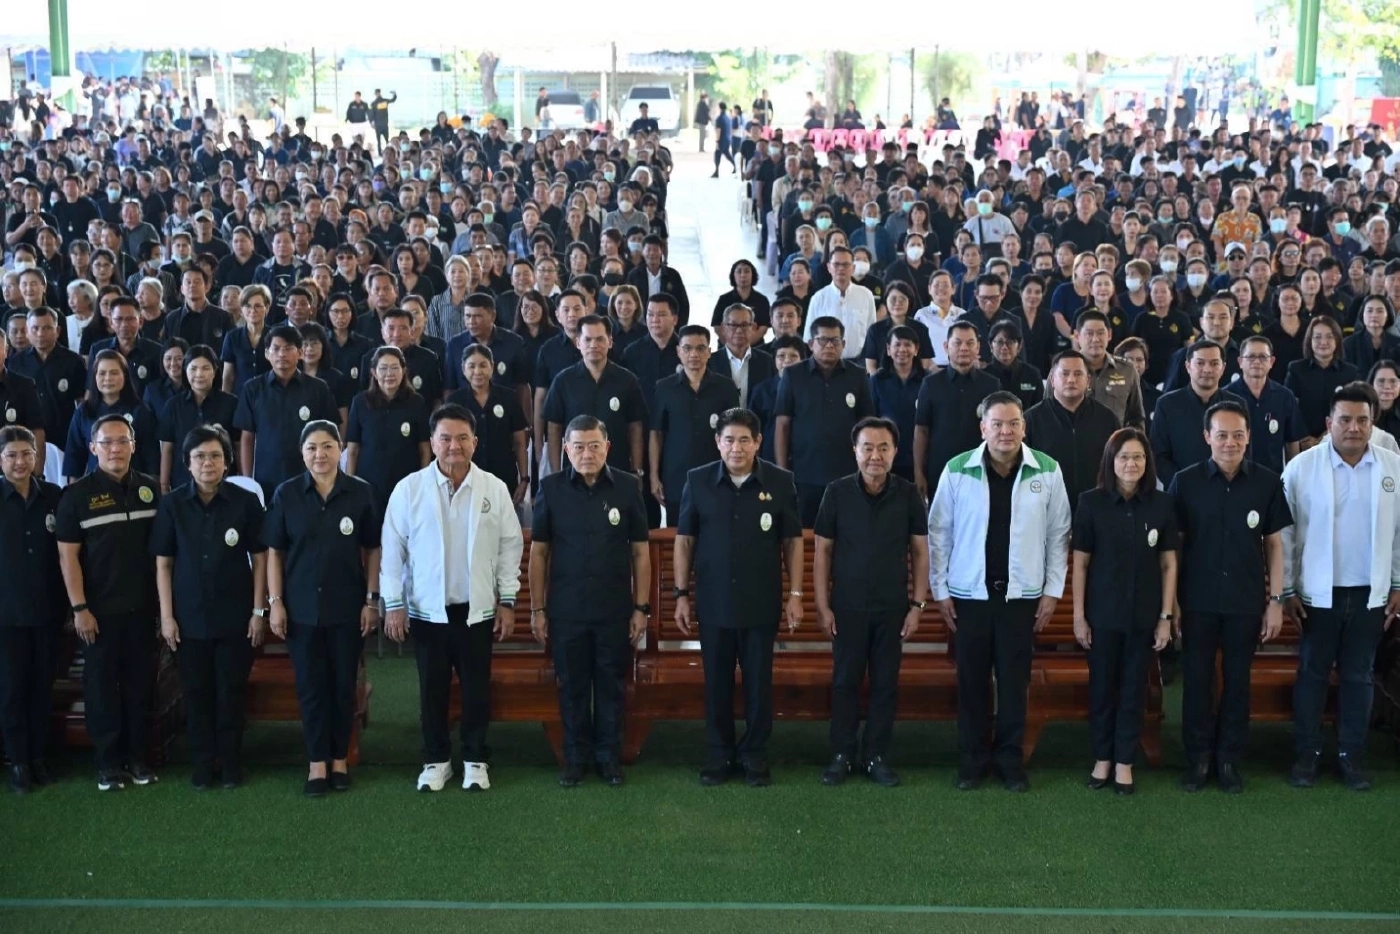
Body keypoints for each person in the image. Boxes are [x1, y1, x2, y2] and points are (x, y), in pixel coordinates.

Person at [929, 391, 1072, 792]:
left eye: (1013, 424)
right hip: (969, 597)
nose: (1005, 431)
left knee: (1013, 683)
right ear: (983, 428)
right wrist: (940, 589)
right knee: (972, 682)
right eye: (997, 424)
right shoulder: (957, 470)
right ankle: (972, 760)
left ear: (1024, 427)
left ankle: (1010, 760)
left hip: (1021, 598)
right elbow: (939, 532)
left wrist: (1052, 591)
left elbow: (1059, 534)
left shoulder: (1047, 470)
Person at [381, 404, 525, 793]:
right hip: (428, 612)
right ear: (432, 443)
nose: (453, 446)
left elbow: (511, 546)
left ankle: (476, 759)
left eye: (462, 438)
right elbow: (392, 552)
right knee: (433, 689)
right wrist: (393, 604)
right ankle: (436, 760)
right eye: (445, 438)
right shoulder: (408, 489)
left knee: (477, 688)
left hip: (477, 610)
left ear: (475, 443)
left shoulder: (493, 487)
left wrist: (507, 600)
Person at [1281, 383, 1400, 792]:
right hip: (1317, 595)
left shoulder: (1392, 466)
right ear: (1329, 423)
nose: (1354, 428)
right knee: (1312, 674)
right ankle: (1308, 754)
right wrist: (1286, 589)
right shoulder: (1302, 468)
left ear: (1373, 424)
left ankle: (1351, 755)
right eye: (1345, 420)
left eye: (1362, 420)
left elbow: (1399, 533)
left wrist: (1398, 583)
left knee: (1359, 676)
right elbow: (1285, 536)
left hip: (1371, 594)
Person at [674, 408, 802, 786]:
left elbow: (792, 541)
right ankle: (718, 754)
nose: (736, 447)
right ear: (717, 442)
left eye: (744, 440)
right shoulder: (697, 481)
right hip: (713, 602)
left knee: (759, 684)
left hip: (761, 601)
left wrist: (796, 593)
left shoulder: (780, 481)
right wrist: (681, 593)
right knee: (716, 682)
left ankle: (755, 755)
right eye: (728, 440)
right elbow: (685, 541)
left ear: (758, 442)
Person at [1169, 400, 1291, 794]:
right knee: (1197, 681)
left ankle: (1228, 760)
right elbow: (1174, 549)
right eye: (1221, 435)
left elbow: (1274, 545)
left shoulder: (1268, 482)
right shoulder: (1185, 482)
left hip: (1245, 600)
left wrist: (1275, 602)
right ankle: (1199, 759)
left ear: (1249, 437)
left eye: (1238, 434)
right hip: (1197, 599)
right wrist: (1172, 605)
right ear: (1207, 437)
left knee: (1238, 682)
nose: (1230, 442)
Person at [529, 416, 650, 787]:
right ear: (565, 449)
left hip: (614, 609)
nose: (586, 453)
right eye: (578, 446)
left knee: (612, 685)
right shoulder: (550, 488)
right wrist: (537, 609)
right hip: (566, 611)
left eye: (594, 445)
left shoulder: (628, 488)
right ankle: (575, 758)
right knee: (572, 685)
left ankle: (609, 758)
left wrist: (641, 608)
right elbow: (539, 554)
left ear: (607, 447)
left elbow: (641, 554)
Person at [264, 421, 382, 797]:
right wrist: (276, 603)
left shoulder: (359, 493)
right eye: (313, 447)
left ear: (340, 450)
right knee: (312, 687)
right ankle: (316, 762)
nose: (321, 454)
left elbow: (374, 550)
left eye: (328, 446)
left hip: (347, 607)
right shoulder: (286, 494)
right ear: (303, 453)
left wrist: (371, 600)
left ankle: (339, 759)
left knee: (343, 685)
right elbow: (275, 553)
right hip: (300, 610)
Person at [813, 417, 928, 787]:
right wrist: (822, 605)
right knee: (845, 681)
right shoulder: (836, 492)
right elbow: (823, 553)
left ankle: (876, 754)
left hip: (892, 608)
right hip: (845, 607)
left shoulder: (909, 494)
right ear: (855, 452)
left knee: (884, 684)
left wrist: (917, 605)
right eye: (867, 447)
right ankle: (842, 753)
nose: (875, 455)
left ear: (895, 452)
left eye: (883, 448)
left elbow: (920, 553)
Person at [151, 425, 267, 791]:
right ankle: (203, 765)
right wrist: (167, 617)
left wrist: (257, 611)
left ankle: (231, 764)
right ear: (186, 463)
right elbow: (163, 564)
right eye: (199, 456)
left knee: (231, 693)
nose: (208, 463)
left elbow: (261, 558)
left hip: (235, 618)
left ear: (227, 462)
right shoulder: (171, 505)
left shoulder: (245, 503)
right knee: (197, 695)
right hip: (187, 620)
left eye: (215, 455)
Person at [55, 414, 163, 790]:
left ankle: (137, 759)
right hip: (98, 615)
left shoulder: (151, 489)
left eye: (122, 441)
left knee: (138, 687)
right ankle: (107, 764)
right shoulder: (77, 496)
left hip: (142, 610)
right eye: (107, 442)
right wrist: (80, 609)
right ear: (92, 447)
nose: (115, 449)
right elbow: (68, 558)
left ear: (134, 445)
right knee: (101, 690)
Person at [1071, 428, 1178, 795]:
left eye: (1138, 457)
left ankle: (1124, 762)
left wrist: (1166, 617)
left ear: (1147, 463)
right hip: (1102, 615)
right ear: (1110, 462)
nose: (1131, 464)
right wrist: (1078, 616)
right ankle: (1102, 757)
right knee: (1102, 689)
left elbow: (1168, 565)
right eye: (1123, 457)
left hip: (1144, 617)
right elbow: (1081, 564)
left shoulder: (1161, 505)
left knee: (1133, 689)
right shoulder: (1091, 503)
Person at [0, 426, 65, 794]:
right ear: (1, 460)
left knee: (42, 686)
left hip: (46, 610)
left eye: (27, 453)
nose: (21, 461)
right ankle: (18, 762)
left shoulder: (54, 497)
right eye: (12, 455)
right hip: (5, 613)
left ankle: (39, 756)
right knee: (11, 689)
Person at [774, 316, 875, 525]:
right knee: (804, 536)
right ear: (811, 344)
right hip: (804, 474)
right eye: (822, 340)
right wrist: (783, 473)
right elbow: (783, 426)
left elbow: (867, 426)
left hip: (848, 474)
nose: (829, 345)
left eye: (835, 340)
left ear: (843, 344)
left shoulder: (857, 376)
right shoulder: (793, 375)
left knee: (847, 532)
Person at [234, 326, 340, 500]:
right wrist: (248, 480)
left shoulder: (318, 388)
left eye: (288, 348)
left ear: (300, 353)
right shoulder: (253, 388)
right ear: (267, 354)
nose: (281, 354)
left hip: (309, 475)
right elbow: (247, 437)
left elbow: (330, 434)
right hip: (266, 477)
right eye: (275, 349)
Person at [649, 325, 739, 525]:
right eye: (687, 348)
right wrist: (654, 477)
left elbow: (735, 434)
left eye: (700, 348)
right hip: (676, 477)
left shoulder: (725, 387)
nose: (694, 354)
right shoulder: (664, 388)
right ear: (679, 351)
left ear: (709, 352)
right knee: (678, 534)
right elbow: (656, 434)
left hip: (717, 476)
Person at [542, 314, 647, 477]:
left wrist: (637, 470)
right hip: (574, 472)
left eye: (600, 339)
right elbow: (554, 429)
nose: (594, 345)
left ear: (610, 342)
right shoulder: (563, 381)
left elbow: (635, 428)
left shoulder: (627, 380)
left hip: (617, 470)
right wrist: (556, 474)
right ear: (578, 343)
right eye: (588, 340)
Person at [912, 321, 1000, 501]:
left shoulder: (991, 384)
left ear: (978, 347)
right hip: (940, 472)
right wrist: (918, 472)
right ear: (946, 347)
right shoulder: (930, 384)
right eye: (957, 343)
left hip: (981, 472)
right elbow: (921, 430)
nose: (964, 348)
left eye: (970, 343)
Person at [1025, 351, 1120, 514]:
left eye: (1078, 374)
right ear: (1053, 380)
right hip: (1046, 509)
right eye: (1065, 374)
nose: (1071, 380)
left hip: (1098, 509)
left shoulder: (1107, 418)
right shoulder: (1031, 419)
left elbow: (1117, 464)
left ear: (1088, 380)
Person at [345, 346, 432, 511]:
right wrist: (350, 484)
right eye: (383, 368)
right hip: (369, 485)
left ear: (403, 370)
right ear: (373, 372)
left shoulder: (416, 402)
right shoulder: (360, 402)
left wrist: (424, 482)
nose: (389, 374)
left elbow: (424, 448)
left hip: (407, 485)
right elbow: (352, 450)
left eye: (394, 368)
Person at [445, 345, 531, 510]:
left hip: (504, 476)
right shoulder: (454, 401)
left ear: (492, 367)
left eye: (483, 365)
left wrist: (524, 479)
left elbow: (520, 442)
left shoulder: (509, 397)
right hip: (464, 478)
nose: (478, 371)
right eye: (472, 366)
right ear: (463, 369)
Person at [1151, 340, 1246, 486]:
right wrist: (1181, 484)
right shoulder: (1167, 404)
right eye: (1200, 363)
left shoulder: (1237, 404)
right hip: (1180, 491)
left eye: (1214, 364)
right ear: (1188, 366)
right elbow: (1159, 455)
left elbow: (1245, 450)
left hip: (1229, 487)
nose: (1207, 369)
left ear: (1223, 368)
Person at [64, 349, 159, 482]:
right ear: (94, 377)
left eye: (114, 373)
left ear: (125, 376)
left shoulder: (140, 410)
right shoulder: (83, 411)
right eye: (102, 373)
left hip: (134, 485)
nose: (108, 378)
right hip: (95, 487)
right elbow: (74, 459)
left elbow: (151, 457)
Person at [158, 345, 238, 493]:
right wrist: (163, 485)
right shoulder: (173, 405)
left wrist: (244, 479)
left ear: (215, 371)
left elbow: (237, 446)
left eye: (206, 368)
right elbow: (167, 449)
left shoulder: (231, 403)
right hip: (182, 483)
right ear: (185, 371)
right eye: (193, 368)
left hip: (223, 484)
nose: (199, 374)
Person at [1229, 335, 1305, 475]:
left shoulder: (1285, 396)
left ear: (1272, 362)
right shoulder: (1226, 396)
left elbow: (1292, 443)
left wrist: (1293, 476)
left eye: (1263, 357)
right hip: (1234, 476)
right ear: (1240, 362)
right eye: (1251, 357)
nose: (1257, 362)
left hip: (1273, 477)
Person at [1075, 310, 1145, 429]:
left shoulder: (1127, 370)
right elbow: (1048, 414)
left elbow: (1136, 418)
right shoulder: (1062, 370)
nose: (1095, 339)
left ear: (1109, 335)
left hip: (1114, 445)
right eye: (1089, 333)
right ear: (1077, 336)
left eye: (1101, 333)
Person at [805, 247, 877, 361]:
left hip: (859, 362)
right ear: (829, 267)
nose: (841, 269)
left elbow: (872, 333)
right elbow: (809, 337)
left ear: (853, 268)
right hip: (826, 362)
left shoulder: (866, 295)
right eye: (836, 264)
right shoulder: (818, 298)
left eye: (845, 265)